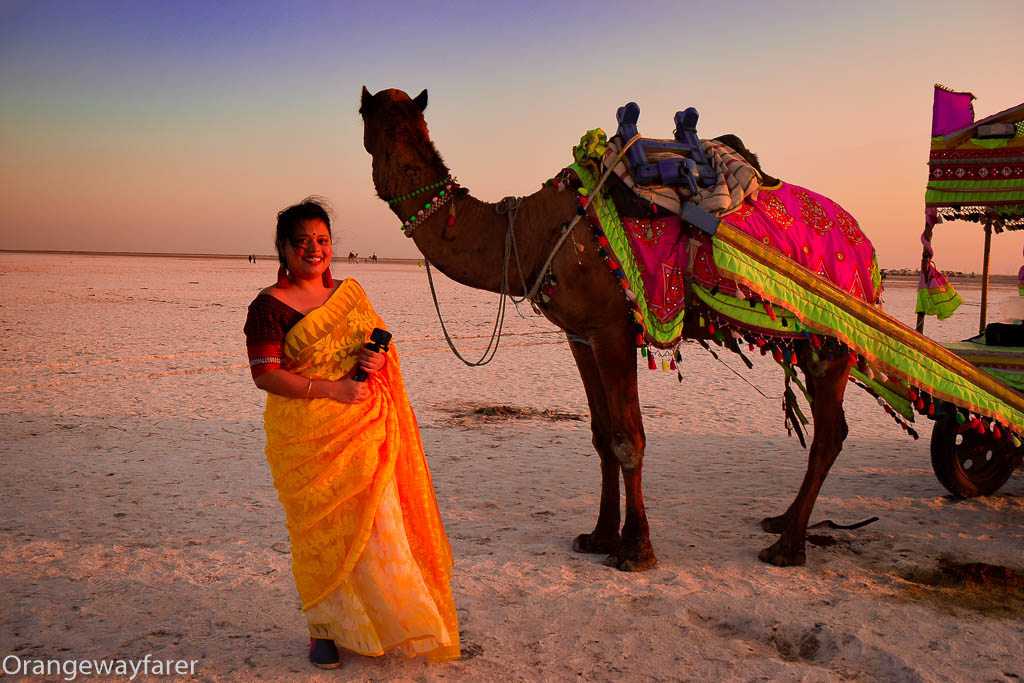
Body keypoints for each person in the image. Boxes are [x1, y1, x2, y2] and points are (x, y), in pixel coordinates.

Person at [243, 197, 460, 669]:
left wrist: (377, 361)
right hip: (308, 437)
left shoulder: (351, 294)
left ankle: (386, 621)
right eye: (301, 242)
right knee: (320, 536)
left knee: (379, 526)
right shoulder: (268, 307)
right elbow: (265, 375)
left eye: (321, 240)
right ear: (283, 248)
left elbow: (380, 339)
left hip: (366, 427)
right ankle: (324, 629)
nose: (313, 249)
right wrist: (330, 390)